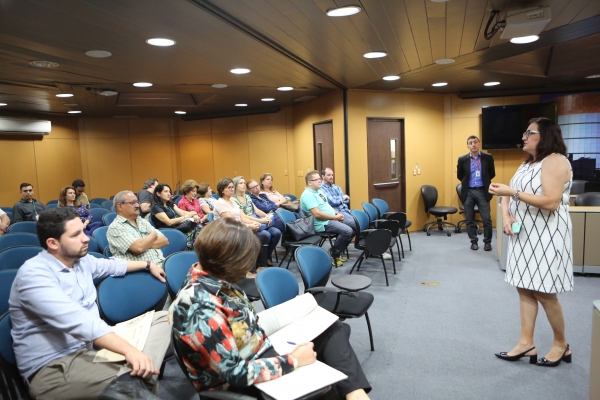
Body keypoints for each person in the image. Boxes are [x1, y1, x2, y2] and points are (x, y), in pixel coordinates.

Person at [169, 218, 371, 399]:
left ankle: (355, 393)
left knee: (334, 328)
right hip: (241, 383)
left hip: (256, 347)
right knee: (329, 388)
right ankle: (349, 392)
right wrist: (292, 361)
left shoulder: (210, 274)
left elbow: (237, 323)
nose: (248, 269)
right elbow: (235, 373)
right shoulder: (201, 306)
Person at [9, 207, 171, 400]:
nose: (86, 238)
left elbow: (114, 264)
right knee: (132, 386)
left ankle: (137, 369)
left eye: (83, 231)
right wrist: (130, 350)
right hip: (55, 367)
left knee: (165, 318)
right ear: (53, 243)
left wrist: (148, 264)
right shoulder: (34, 275)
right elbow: (78, 321)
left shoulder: (80, 260)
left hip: (90, 348)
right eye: (76, 234)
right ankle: (136, 371)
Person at [489, 117, 573, 367]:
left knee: (545, 293)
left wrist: (512, 193)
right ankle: (527, 343)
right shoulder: (528, 163)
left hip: (546, 236)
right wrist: (506, 215)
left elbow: (551, 202)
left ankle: (561, 344)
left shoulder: (556, 161)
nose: (524, 136)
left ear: (545, 135)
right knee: (524, 289)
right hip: (523, 235)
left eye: (530, 132)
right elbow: (509, 192)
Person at [212, 178, 268, 278]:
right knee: (251, 239)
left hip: (238, 229)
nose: (232, 189)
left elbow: (242, 217)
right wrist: (248, 226)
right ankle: (248, 271)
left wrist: (254, 222)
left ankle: (261, 266)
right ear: (222, 190)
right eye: (229, 188)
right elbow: (230, 222)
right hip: (227, 232)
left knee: (263, 236)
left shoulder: (232, 202)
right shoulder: (220, 203)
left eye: (233, 187)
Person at [300, 171, 354, 267]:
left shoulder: (319, 191)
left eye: (319, 179)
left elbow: (326, 206)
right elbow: (317, 214)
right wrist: (335, 217)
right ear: (309, 182)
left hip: (332, 217)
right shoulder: (308, 195)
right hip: (321, 223)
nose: (320, 181)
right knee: (347, 231)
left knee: (355, 225)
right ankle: (335, 254)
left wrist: (336, 213)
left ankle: (337, 250)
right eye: (316, 180)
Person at [107, 190, 169, 267]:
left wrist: (144, 245)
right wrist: (153, 235)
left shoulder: (142, 221)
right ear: (120, 206)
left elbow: (164, 241)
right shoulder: (116, 227)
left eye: (137, 202)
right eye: (132, 203)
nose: (137, 205)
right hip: (141, 272)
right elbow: (138, 248)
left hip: (160, 264)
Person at [232, 176, 281, 267]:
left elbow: (256, 210)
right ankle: (261, 261)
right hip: (248, 223)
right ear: (235, 186)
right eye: (241, 183)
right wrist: (262, 220)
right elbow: (244, 216)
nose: (243, 185)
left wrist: (266, 216)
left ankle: (267, 256)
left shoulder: (247, 196)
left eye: (244, 183)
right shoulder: (233, 199)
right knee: (266, 234)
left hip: (256, 219)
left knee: (276, 232)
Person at [457, 136, 496, 251]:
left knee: (486, 219)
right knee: (469, 219)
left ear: (479, 144)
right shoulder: (462, 159)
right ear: (467, 146)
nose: (473, 144)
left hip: (482, 191)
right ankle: (473, 241)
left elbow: (491, 173)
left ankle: (487, 242)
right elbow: (460, 176)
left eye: (475, 142)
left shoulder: (487, 157)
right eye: (470, 143)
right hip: (468, 192)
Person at [151, 183, 202, 250]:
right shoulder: (156, 207)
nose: (169, 194)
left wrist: (194, 214)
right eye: (165, 191)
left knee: (201, 230)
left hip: (178, 228)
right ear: (158, 194)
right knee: (198, 233)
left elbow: (182, 212)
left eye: (169, 191)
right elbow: (169, 222)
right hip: (169, 232)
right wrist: (186, 216)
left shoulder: (170, 204)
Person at [321, 168, 357, 234]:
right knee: (357, 224)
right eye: (328, 175)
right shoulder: (321, 188)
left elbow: (347, 200)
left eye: (332, 175)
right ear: (323, 176)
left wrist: (340, 199)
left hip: (346, 210)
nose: (331, 177)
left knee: (361, 220)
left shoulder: (336, 187)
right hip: (337, 212)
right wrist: (342, 198)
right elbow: (333, 202)